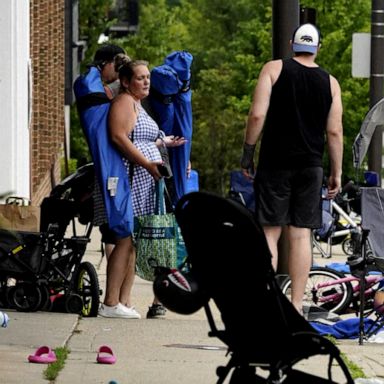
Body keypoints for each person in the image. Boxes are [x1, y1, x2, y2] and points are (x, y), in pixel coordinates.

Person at [240, 23, 343, 315]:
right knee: (301, 236)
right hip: (311, 167)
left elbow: (257, 113)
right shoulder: (330, 82)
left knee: (270, 234)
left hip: (275, 163)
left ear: (291, 44)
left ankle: (264, 303)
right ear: (318, 48)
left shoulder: (273, 70)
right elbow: (334, 132)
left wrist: (248, 153)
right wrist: (335, 172)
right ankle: (296, 305)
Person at [108, 54, 186, 318]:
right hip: (131, 179)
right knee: (125, 239)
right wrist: (147, 164)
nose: (146, 82)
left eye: (147, 78)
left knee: (132, 241)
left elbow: (139, 138)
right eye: (140, 78)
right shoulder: (124, 102)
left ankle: (122, 301)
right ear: (126, 81)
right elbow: (119, 137)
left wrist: (163, 144)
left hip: (144, 181)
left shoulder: (137, 104)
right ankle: (111, 302)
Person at [77, 44, 141, 319]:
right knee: (119, 233)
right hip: (109, 171)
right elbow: (109, 108)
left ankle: (116, 301)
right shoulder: (88, 82)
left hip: (112, 169)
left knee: (123, 234)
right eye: (118, 67)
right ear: (107, 64)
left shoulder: (98, 86)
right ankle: (111, 302)